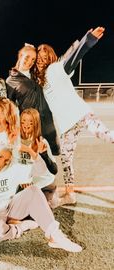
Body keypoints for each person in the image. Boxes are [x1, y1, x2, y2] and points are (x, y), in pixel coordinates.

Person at [36, 26, 114, 205]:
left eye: (44, 57)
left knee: (105, 135)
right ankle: (71, 194)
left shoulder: (56, 68)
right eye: (38, 58)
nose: (41, 60)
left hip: (81, 114)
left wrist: (88, 39)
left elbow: (74, 56)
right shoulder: (40, 81)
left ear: (51, 57)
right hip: (66, 125)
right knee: (66, 159)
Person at [0, 144, 82, 253]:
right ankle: (19, 227)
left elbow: (43, 173)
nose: (2, 162)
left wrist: (31, 151)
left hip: (11, 208)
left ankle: (55, 236)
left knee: (33, 191)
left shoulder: (12, 169)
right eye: (0, 156)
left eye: (6, 160)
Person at [6, 44, 60, 156]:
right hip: (30, 127)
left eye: (33, 59)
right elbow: (10, 108)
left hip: (47, 125)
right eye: (26, 57)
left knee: (51, 162)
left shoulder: (36, 74)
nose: (29, 62)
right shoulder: (11, 80)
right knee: (32, 161)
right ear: (20, 56)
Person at [19, 108, 59, 208]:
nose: (26, 124)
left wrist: (35, 152)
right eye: (23, 121)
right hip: (29, 182)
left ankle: (50, 197)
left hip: (45, 182)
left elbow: (54, 170)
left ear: (36, 124)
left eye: (30, 122)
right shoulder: (17, 141)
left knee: (33, 212)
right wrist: (23, 179)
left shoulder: (41, 142)